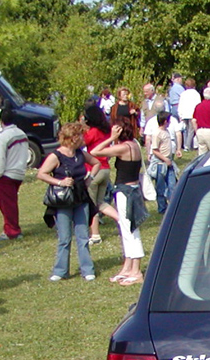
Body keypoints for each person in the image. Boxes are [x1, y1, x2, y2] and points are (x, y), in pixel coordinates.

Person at [37, 122, 99, 282]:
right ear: (71, 138)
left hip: (80, 198)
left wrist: (89, 178)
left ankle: (87, 269)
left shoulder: (79, 153)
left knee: (83, 236)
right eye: (79, 135)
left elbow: (96, 163)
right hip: (63, 200)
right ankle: (60, 270)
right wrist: (60, 182)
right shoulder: (56, 156)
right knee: (64, 238)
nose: (82, 138)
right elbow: (41, 173)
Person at [89, 119, 148, 285]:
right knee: (125, 228)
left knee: (130, 231)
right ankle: (128, 267)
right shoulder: (134, 144)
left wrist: (110, 137)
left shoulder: (123, 147)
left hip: (126, 192)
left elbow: (95, 151)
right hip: (132, 190)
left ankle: (136, 271)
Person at [82, 104, 120, 244]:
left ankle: (95, 234)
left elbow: (80, 142)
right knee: (100, 203)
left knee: (92, 204)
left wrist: (82, 126)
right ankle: (120, 219)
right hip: (105, 168)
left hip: (94, 169)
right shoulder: (106, 131)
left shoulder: (92, 132)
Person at [0, 106, 28, 241]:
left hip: (6, 174)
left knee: (7, 205)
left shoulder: (3, 137)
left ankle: (12, 231)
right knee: (11, 202)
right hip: (18, 171)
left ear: (1, 121)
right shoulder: (21, 133)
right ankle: (10, 228)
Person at [148, 109, 176, 214]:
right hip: (161, 164)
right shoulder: (157, 133)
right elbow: (155, 150)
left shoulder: (166, 131)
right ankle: (162, 207)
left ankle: (172, 206)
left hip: (169, 162)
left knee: (172, 185)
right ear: (165, 121)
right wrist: (165, 159)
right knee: (161, 187)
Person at [178, 78, 202, 152]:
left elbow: (180, 104)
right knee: (191, 131)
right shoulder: (196, 94)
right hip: (192, 114)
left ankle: (185, 144)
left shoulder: (183, 94)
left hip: (184, 114)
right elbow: (198, 105)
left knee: (186, 130)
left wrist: (180, 114)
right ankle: (188, 146)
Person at [192, 88, 210, 155]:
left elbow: (194, 120)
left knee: (202, 155)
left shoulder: (198, 106)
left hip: (200, 130)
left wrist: (196, 131)